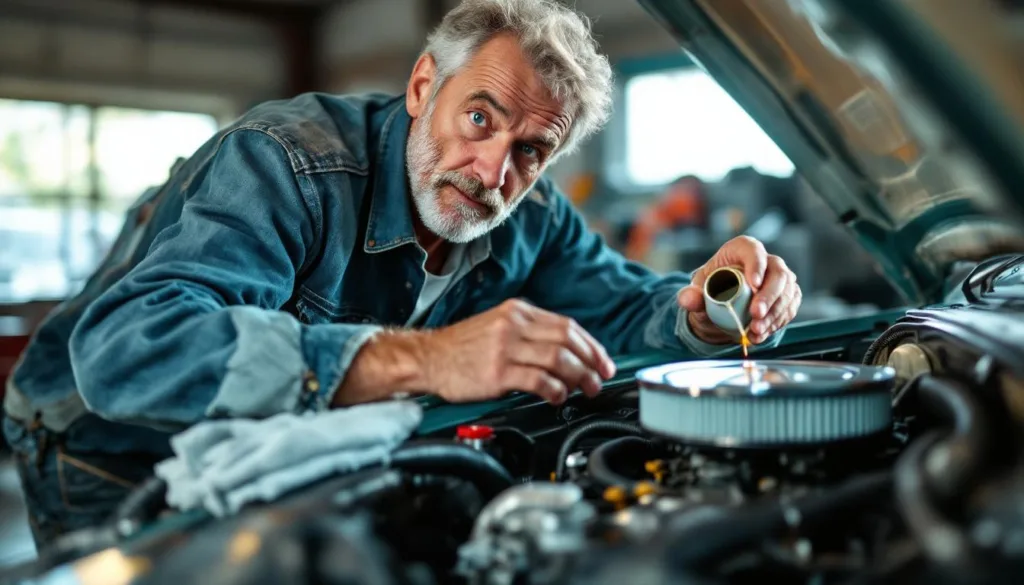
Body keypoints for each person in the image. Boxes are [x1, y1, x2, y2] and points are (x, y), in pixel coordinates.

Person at [2, 0, 802, 547]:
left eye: (531, 150)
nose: (493, 171)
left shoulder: (531, 210)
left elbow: (625, 308)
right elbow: (129, 350)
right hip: (108, 448)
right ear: (424, 86)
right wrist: (429, 358)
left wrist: (703, 310)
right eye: (480, 118)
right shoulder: (288, 163)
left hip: (267, 446)